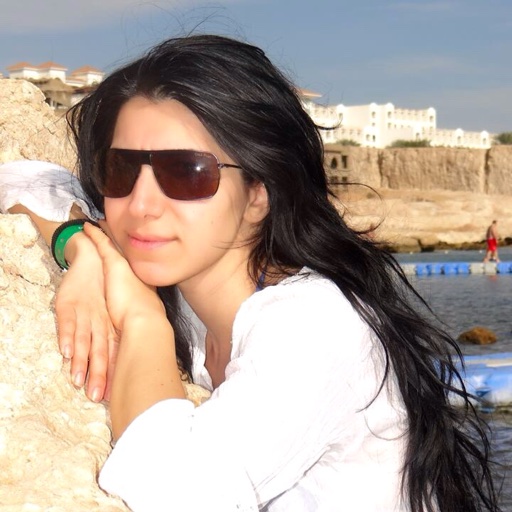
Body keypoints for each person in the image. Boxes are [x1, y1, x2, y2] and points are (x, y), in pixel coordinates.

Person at [0, 34, 501, 511]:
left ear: (258, 194)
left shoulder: (314, 326)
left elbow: (175, 492)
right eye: (121, 169)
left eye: (186, 172)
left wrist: (142, 318)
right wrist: (82, 249)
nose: (141, 204)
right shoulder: (194, 286)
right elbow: (24, 179)